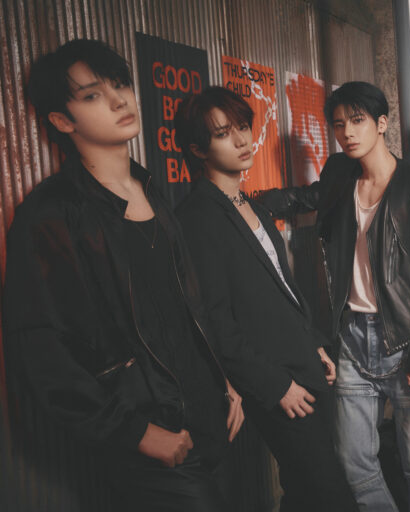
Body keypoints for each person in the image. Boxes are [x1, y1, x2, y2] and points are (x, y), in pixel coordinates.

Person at [2, 39, 244, 511]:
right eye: (93, 94)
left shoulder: (151, 189)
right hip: (149, 434)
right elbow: (41, 349)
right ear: (62, 120)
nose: (119, 100)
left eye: (120, 85)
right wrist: (134, 433)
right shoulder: (50, 214)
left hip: (209, 416)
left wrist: (225, 382)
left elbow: (186, 304)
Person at [258, 81, 410, 511]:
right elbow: (306, 197)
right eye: (338, 124)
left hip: (404, 340)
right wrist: (247, 203)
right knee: (354, 463)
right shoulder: (339, 174)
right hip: (352, 338)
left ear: (382, 123)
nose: (347, 132)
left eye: (357, 120)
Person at [174, 86, 358, 511]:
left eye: (243, 126)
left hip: (303, 364)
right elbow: (216, 322)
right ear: (198, 149)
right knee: (331, 495)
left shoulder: (250, 205)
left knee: (305, 491)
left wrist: (314, 343)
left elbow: (283, 289)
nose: (242, 140)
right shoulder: (197, 218)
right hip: (277, 382)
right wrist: (276, 387)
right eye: (223, 133)